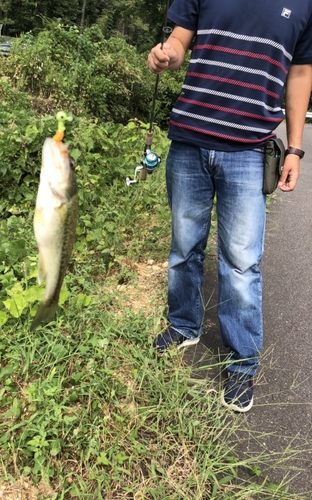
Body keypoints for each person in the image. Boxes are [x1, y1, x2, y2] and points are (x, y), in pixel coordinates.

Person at [147, 0, 312, 412]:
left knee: (241, 261)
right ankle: (184, 325)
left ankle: (241, 362)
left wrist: (295, 148)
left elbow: (301, 72)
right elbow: (180, 39)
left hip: (250, 150)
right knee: (185, 247)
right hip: (189, 140)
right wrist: (168, 54)